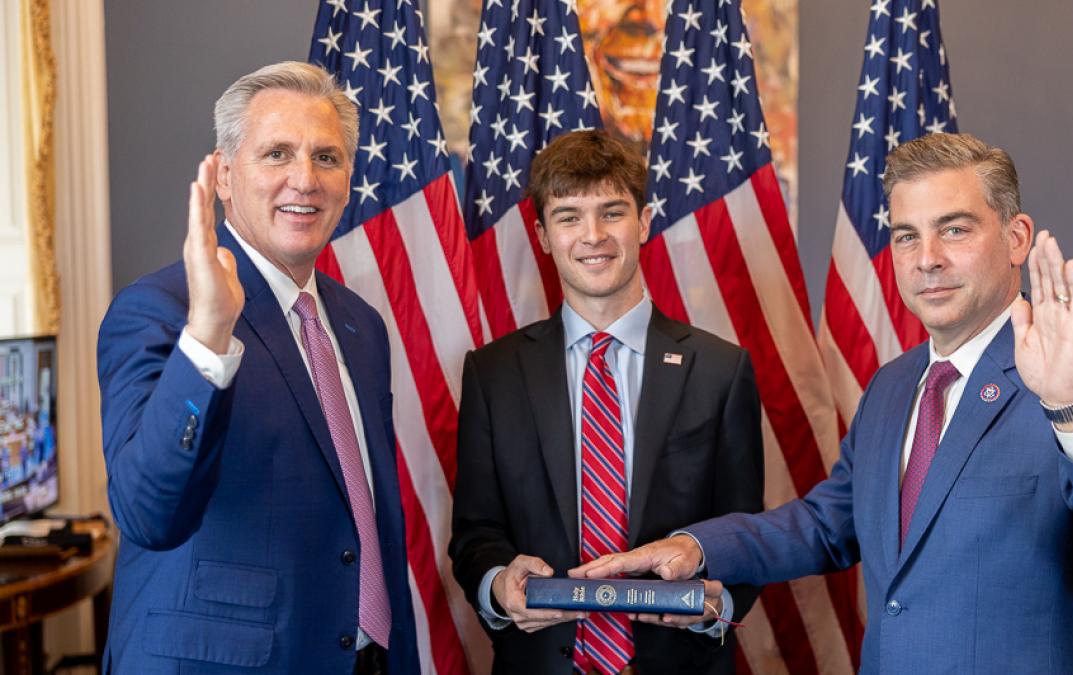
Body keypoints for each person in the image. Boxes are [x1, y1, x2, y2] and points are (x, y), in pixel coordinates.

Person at [575, 132, 1073, 674]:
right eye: (907, 236)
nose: (927, 259)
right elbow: (828, 524)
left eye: (954, 229)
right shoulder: (895, 385)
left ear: (1016, 238)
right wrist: (698, 548)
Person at [97, 62, 420, 675]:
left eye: (326, 157)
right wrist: (210, 334)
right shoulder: (160, 311)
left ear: (349, 177)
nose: (305, 179)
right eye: (276, 154)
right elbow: (146, 513)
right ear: (223, 174)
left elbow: (366, 518)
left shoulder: (361, 325)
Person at [449, 130, 764, 675]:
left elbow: (744, 530)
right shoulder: (493, 373)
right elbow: (476, 532)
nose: (592, 236)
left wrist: (718, 605)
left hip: (680, 662)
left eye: (611, 212)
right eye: (569, 217)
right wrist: (499, 582)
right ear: (543, 234)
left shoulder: (721, 369)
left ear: (642, 222)